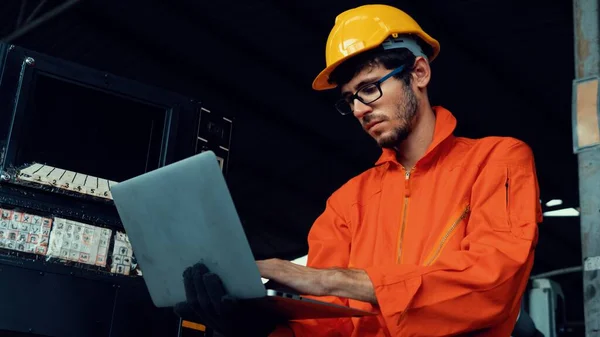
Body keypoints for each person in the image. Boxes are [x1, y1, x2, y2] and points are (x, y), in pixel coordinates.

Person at [175, 4, 542, 337]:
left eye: (369, 89)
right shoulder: (347, 203)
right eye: (350, 98)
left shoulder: (498, 161)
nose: (359, 110)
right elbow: (327, 327)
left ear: (419, 72)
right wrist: (257, 329)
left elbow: (492, 283)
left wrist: (327, 279)